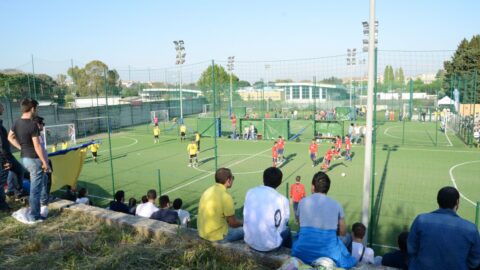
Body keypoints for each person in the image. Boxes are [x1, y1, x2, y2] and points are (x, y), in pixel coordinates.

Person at [291, 172, 357, 268]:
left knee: (298, 235)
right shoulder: (336, 204)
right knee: (347, 237)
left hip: (302, 252)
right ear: (327, 188)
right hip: (329, 252)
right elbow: (342, 232)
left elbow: (300, 223)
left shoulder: (302, 202)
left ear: (313, 187)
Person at [407, 186, 480, 270]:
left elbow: (411, 249)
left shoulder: (421, 220)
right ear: (457, 202)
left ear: (438, 200)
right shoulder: (471, 229)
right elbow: (475, 260)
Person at [8, 98, 50, 222]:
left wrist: (21, 147)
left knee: (42, 180)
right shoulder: (32, 125)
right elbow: (37, 146)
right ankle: (34, 216)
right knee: (35, 189)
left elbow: (10, 137)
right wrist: (44, 162)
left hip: (25, 158)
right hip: (34, 159)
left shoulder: (16, 122)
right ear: (32, 109)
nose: (36, 111)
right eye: (36, 108)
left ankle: (43, 205)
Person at [243, 167, 291, 252]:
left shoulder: (250, 192)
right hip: (270, 246)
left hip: (249, 241)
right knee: (287, 230)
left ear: (263, 179)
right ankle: (288, 254)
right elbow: (283, 225)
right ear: (279, 182)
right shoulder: (282, 200)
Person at [197, 168, 243, 242]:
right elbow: (233, 223)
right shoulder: (226, 196)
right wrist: (242, 223)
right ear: (228, 180)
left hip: (202, 232)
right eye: (232, 178)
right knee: (246, 230)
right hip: (217, 236)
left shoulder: (207, 191)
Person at [0, 103, 25, 210]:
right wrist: (5, 160)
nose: (3, 109)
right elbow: (1, 144)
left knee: (17, 169)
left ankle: (13, 191)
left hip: (6, 154)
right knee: (1, 181)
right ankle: (2, 204)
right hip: (3, 155)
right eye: (1, 107)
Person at [32, 116, 51, 217]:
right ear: (38, 124)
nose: (43, 125)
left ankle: (43, 200)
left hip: (42, 162)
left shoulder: (39, 135)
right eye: (42, 124)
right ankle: (43, 203)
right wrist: (44, 162)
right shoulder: (36, 137)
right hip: (40, 162)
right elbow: (39, 150)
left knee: (44, 180)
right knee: (42, 181)